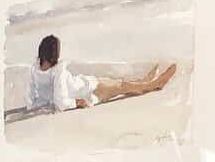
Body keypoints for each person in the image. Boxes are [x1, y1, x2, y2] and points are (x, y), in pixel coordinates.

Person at [26, 34, 176, 113]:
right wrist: (78, 102)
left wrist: (39, 105)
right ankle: (154, 84)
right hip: (89, 90)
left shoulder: (35, 69)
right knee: (121, 86)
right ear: (55, 53)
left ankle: (144, 81)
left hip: (85, 84)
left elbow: (32, 98)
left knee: (120, 84)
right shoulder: (57, 71)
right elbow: (61, 102)